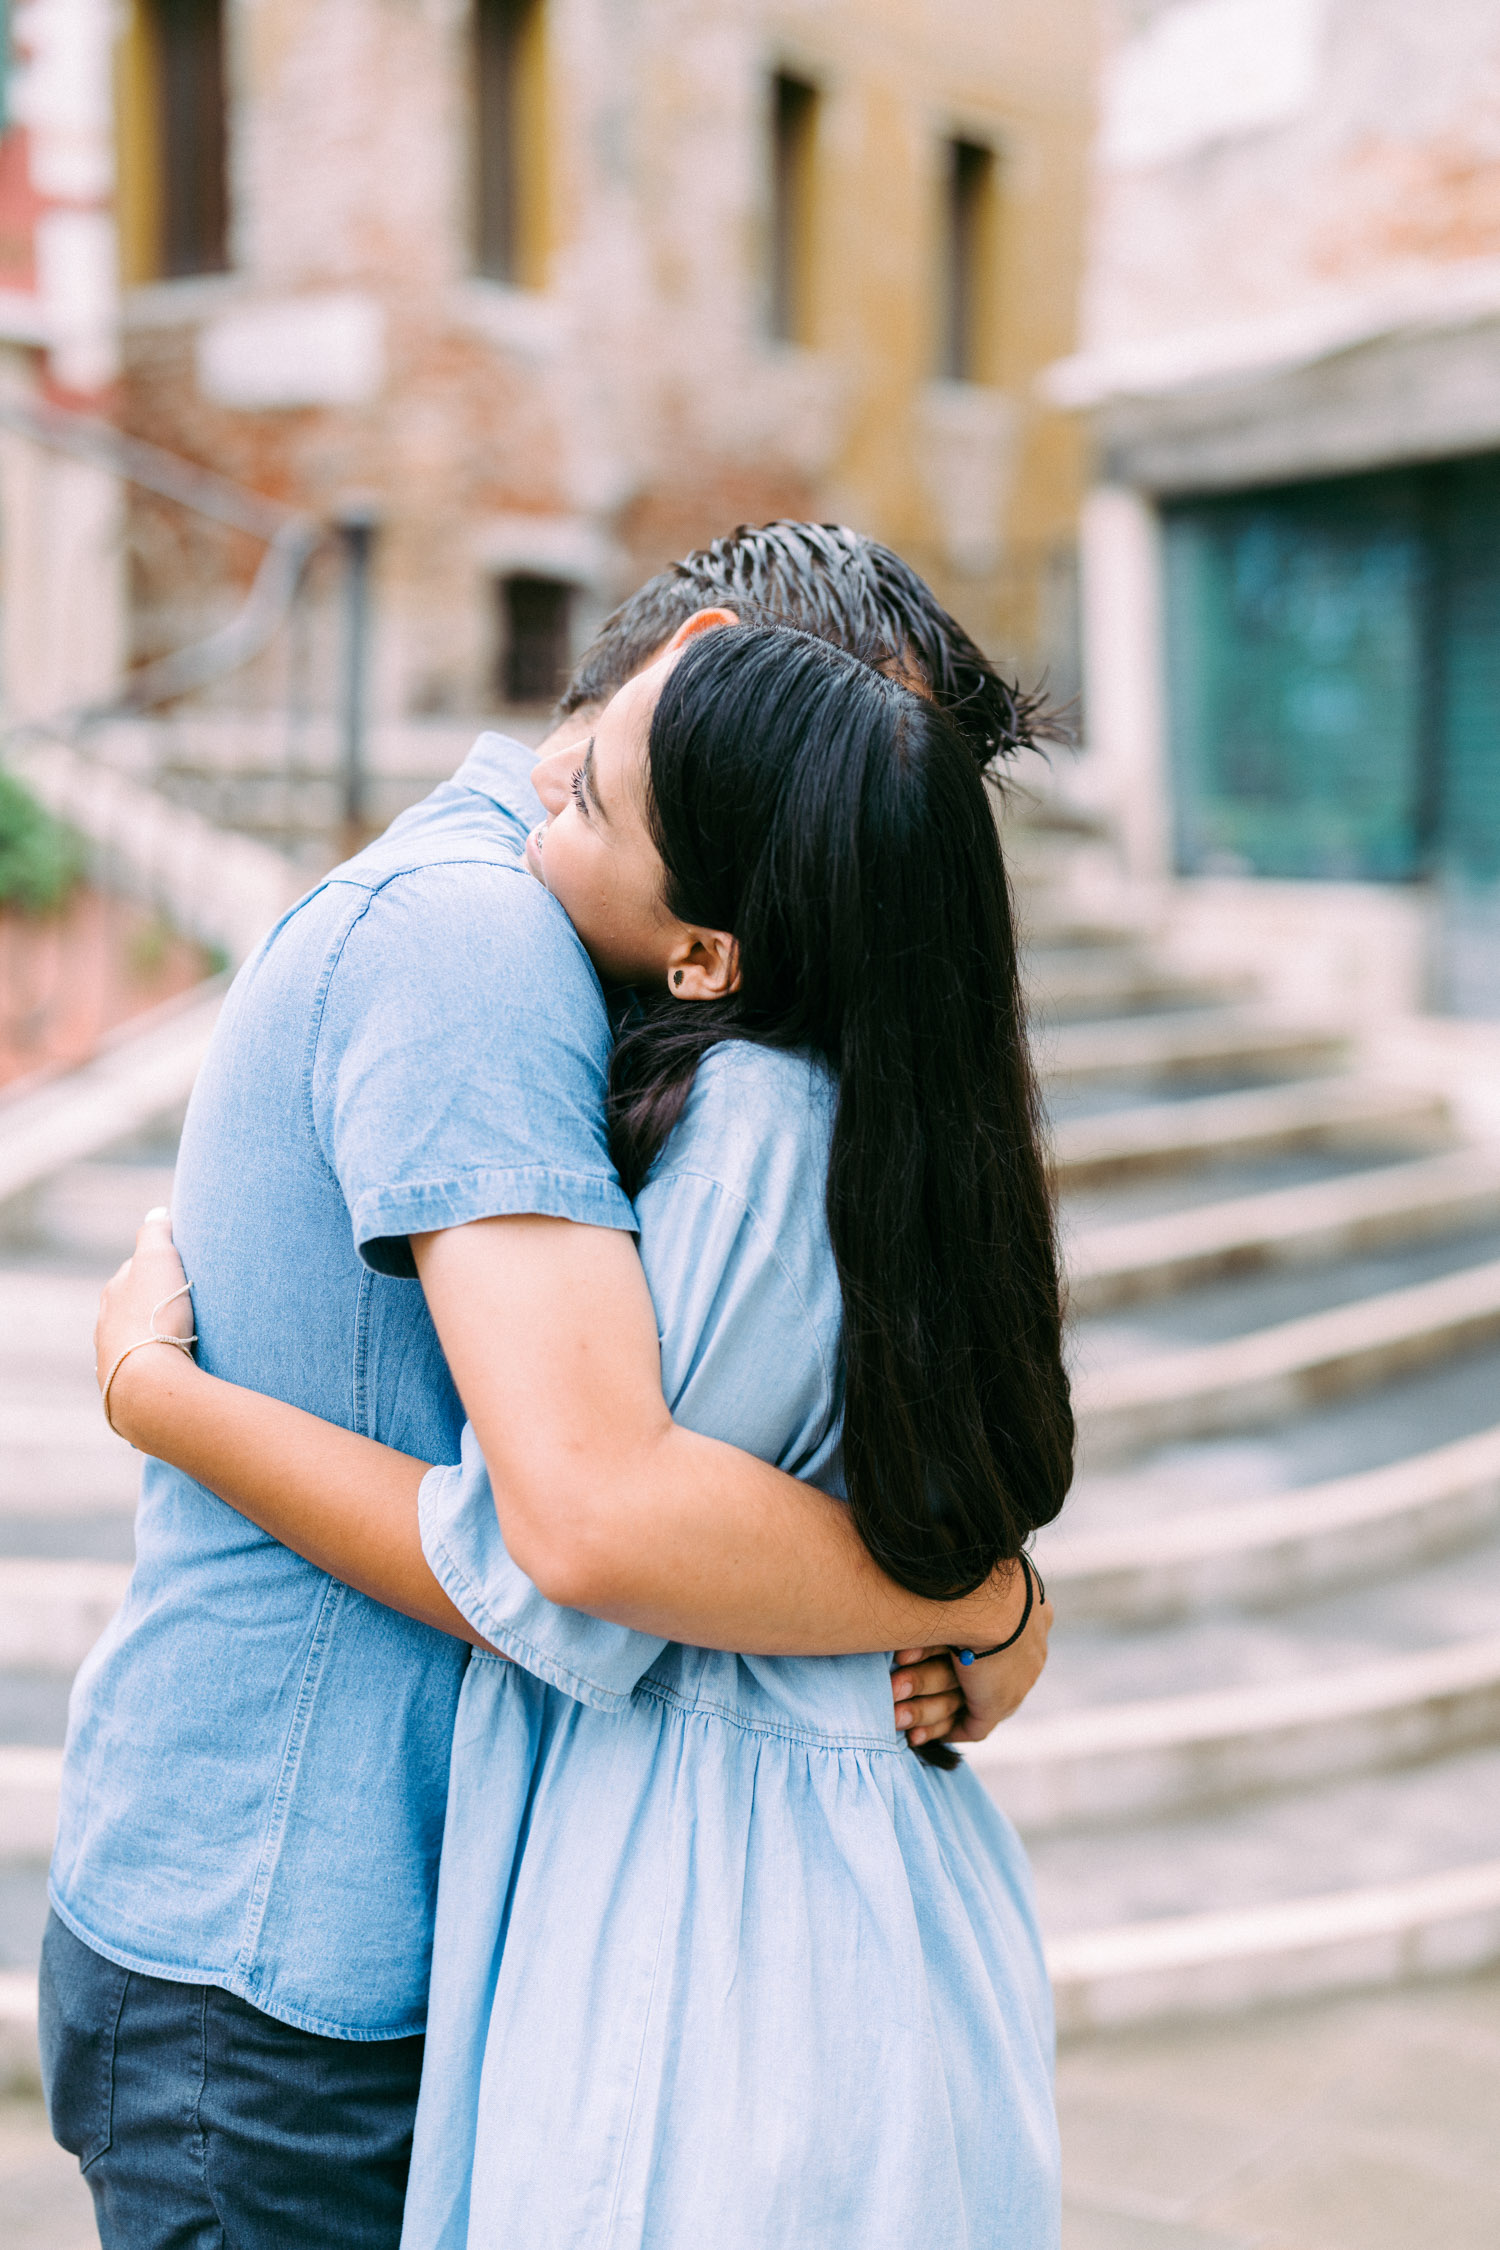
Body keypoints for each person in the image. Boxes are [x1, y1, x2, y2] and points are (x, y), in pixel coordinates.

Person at [43, 524, 1055, 2249]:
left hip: (424, 1943)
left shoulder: (724, 1058)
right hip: (291, 1958)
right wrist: (962, 1588)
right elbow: (588, 1522)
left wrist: (1000, 1599)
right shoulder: (477, 943)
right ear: (705, 660)